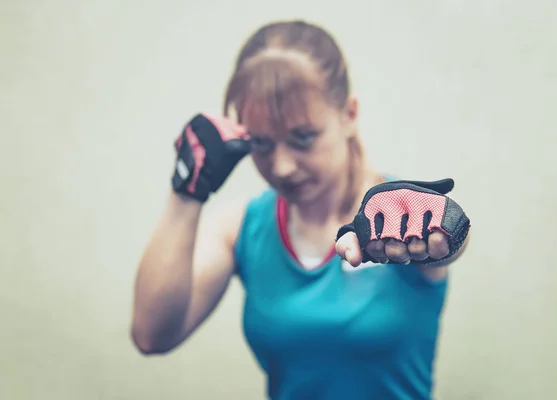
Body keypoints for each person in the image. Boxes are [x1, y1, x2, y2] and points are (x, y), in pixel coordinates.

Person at [131, 19, 471, 400]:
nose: (281, 167)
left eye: (303, 138)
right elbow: (151, 334)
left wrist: (448, 228)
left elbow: (446, 242)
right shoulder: (241, 227)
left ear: (349, 114)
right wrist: (187, 188)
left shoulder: (397, 216)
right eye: (261, 143)